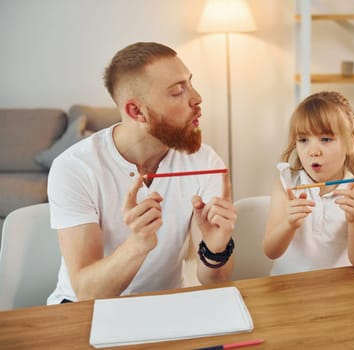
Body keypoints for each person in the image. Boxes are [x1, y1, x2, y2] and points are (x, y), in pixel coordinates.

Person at [47, 42, 237, 304]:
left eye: (190, 83)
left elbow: (215, 280)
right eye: (177, 91)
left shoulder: (205, 160)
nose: (197, 98)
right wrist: (138, 244)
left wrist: (216, 249)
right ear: (136, 111)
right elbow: (87, 293)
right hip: (83, 312)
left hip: (165, 306)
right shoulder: (74, 168)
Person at [263, 91, 354, 275]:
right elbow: (271, 251)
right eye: (303, 140)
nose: (313, 151)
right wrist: (289, 224)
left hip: (339, 290)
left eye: (325, 139)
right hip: (287, 289)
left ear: (350, 143)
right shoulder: (286, 184)